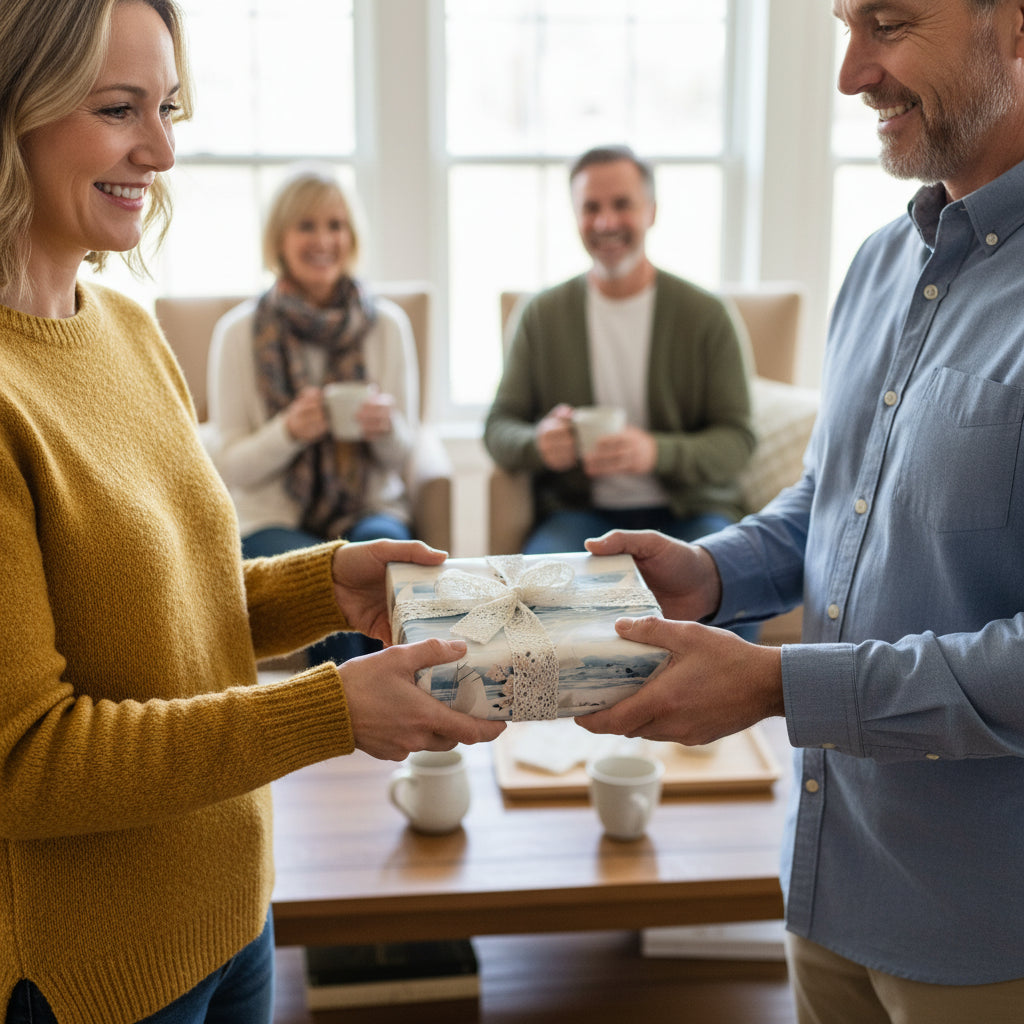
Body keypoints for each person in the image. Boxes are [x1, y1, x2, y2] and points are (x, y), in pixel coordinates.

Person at [0, 3, 503, 1023]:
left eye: (169, 108)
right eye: (119, 109)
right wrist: (330, 710)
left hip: (235, 913)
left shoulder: (130, 331)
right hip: (99, 972)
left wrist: (323, 583)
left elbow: (159, 610)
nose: (162, 149)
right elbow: (29, 760)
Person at [577, 2, 1024, 1021]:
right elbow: (841, 492)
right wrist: (718, 570)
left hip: (984, 930)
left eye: (888, 23)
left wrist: (781, 685)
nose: (850, 73)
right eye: (842, 26)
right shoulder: (877, 265)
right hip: (826, 883)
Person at [483, 144, 756, 558]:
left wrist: (655, 452)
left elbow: (738, 440)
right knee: (537, 601)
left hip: (691, 511)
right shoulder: (541, 315)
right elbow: (498, 427)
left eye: (622, 204)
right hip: (578, 515)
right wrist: (539, 443)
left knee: (728, 584)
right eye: (591, 207)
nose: (606, 221)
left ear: (651, 211)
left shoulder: (707, 315)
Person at [207, 166, 419, 667]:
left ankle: (379, 711)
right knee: (324, 573)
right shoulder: (239, 333)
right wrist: (288, 433)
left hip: (368, 506)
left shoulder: (387, 325)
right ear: (279, 238)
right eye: (306, 226)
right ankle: (362, 715)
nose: (323, 240)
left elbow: (406, 456)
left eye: (336, 225)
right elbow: (229, 466)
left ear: (352, 236)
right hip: (272, 517)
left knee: (380, 556)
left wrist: (385, 429)